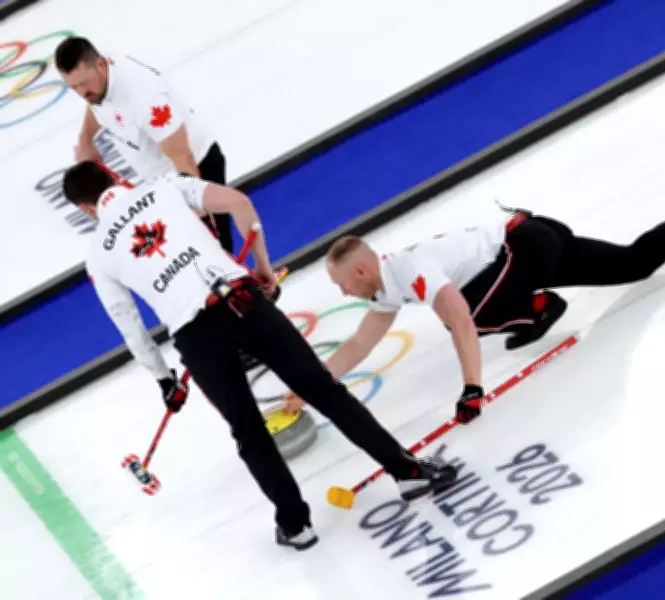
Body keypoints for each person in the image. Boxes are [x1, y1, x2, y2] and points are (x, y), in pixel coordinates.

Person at [61, 161, 458, 551]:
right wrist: (263, 269)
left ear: (85, 209)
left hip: (195, 335)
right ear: (112, 176)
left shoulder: (98, 255)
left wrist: (164, 378)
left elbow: (126, 322)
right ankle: (408, 472)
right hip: (241, 299)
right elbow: (239, 203)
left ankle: (295, 524)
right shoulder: (165, 186)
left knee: (249, 430)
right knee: (323, 389)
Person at [282, 176, 665, 424]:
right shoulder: (386, 288)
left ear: (362, 271)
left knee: (463, 316)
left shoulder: (411, 271)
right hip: (535, 237)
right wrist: (309, 387)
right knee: (632, 263)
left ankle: (541, 309)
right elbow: (360, 345)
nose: (342, 293)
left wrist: (472, 389)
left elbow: (461, 321)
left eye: (341, 283)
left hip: (525, 247)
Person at [55, 36, 234, 252]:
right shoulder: (98, 82)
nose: (81, 92)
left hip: (195, 170)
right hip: (159, 181)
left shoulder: (145, 99)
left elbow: (182, 156)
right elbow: (96, 104)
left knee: (215, 251)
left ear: (101, 65)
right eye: (73, 87)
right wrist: (86, 140)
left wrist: (200, 219)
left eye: (83, 83)